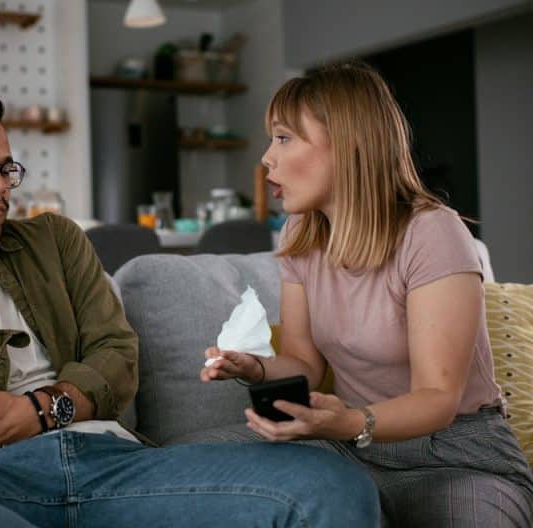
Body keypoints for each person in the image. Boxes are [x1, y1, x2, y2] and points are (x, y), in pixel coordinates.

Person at [0, 93, 379, 527]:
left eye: (4, 168)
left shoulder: (55, 241)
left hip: (112, 463)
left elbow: (117, 360)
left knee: (332, 483)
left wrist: (43, 410)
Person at [200, 62, 533, 527]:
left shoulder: (433, 232)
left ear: (348, 143)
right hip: (350, 447)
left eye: (283, 138)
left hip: (454, 454)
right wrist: (255, 367)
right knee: (190, 462)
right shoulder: (300, 232)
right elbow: (304, 364)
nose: (266, 159)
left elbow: (437, 397)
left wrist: (354, 423)